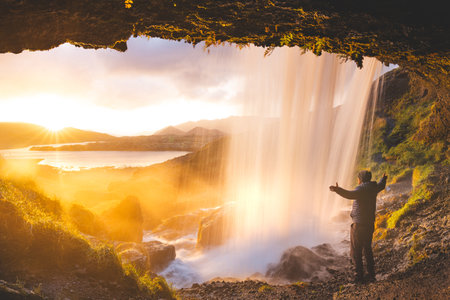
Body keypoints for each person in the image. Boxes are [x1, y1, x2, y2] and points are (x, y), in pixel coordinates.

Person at [329, 170, 387, 284]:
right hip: (370, 224)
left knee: (356, 251)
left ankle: (358, 276)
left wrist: (337, 189)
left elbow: (349, 195)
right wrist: (383, 178)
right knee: (368, 249)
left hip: (359, 225)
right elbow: (382, 185)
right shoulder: (374, 187)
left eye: (358, 178)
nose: (357, 180)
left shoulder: (361, 189)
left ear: (360, 179)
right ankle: (371, 275)